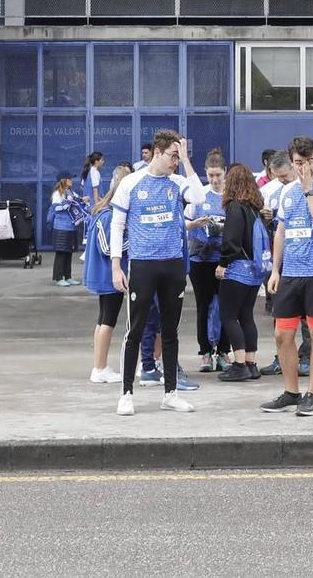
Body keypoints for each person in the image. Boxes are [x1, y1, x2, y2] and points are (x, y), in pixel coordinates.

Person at [109, 132, 199, 415]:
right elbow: (117, 225)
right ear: (157, 153)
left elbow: (198, 197)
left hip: (173, 265)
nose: (175, 162)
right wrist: (116, 266)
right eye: (172, 156)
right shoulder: (131, 183)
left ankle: (170, 393)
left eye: (178, 157)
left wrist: (186, 160)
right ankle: (126, 394)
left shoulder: (178, 182)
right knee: (135, 330)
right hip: (142, 265)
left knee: (170, 331)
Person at [261, 135, 313, 417]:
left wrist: (309, 191)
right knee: (282, 334)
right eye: (297, 162)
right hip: (291, 274)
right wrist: (275, 269)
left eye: (307, 161)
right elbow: (281, 231)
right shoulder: (286, 191)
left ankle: (312, 394)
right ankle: (291, 392)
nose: (302, 167)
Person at [216, 163, 268, 383]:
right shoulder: (255, 209)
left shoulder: (235, 207)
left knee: (228, 316)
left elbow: (231, 241)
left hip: (237, 269)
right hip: (255, 270)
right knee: (246, 315)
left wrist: (223, 264)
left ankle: (239, 365)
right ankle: (251, 363)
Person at [85, 165, 133, 383]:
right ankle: (100, 368)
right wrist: (135, 240)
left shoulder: (103, 211)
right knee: (108, 321)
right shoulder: (108, 215)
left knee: (103, 320)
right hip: (109, 277)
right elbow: (106, 248)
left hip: (107, 276)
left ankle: (99, 365)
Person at [187, 149, 228, 371]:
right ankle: (205, 352)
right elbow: (184, 223)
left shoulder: (231, 197)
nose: (214, 179)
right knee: (203, 306)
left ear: (225, 172)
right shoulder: (198, 196)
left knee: (226, 306)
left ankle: (223, 351)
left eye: (218, 175)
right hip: (200, 260)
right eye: (210, 175)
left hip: (225, 260)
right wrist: (195, 224)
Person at [47, 175, 81, 286]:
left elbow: (78, 201)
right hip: (61, 227)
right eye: (69, 179)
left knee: (69, 252)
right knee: (61, 253)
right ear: (63, 180)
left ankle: (68, 276)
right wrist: (66, 203)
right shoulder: (57, 194)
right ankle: (58, 278)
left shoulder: (71, 192)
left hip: (71, 227)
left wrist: (83, 199)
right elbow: (56, 209)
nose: (71, 180)